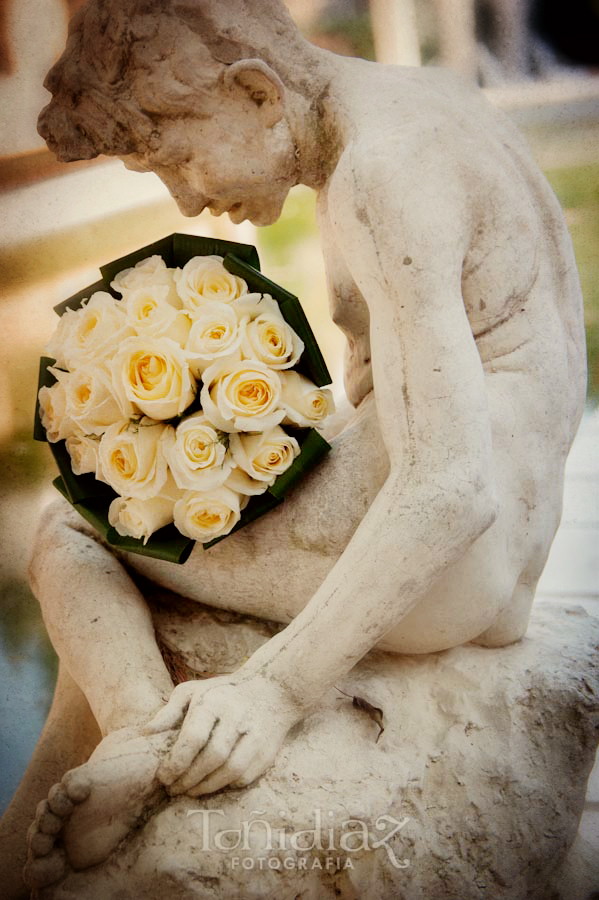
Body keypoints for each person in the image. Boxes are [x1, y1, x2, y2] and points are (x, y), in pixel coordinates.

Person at [1, 0, 587, 894]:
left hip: (457, 563)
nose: (187, 198)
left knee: (76, 528)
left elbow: (449, 487)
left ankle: (146, 744)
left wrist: (270, 692)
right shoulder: (422, 103)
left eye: (176, 158)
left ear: (255, 92)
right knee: (157, 523)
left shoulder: (381, 176)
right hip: (512, 549)